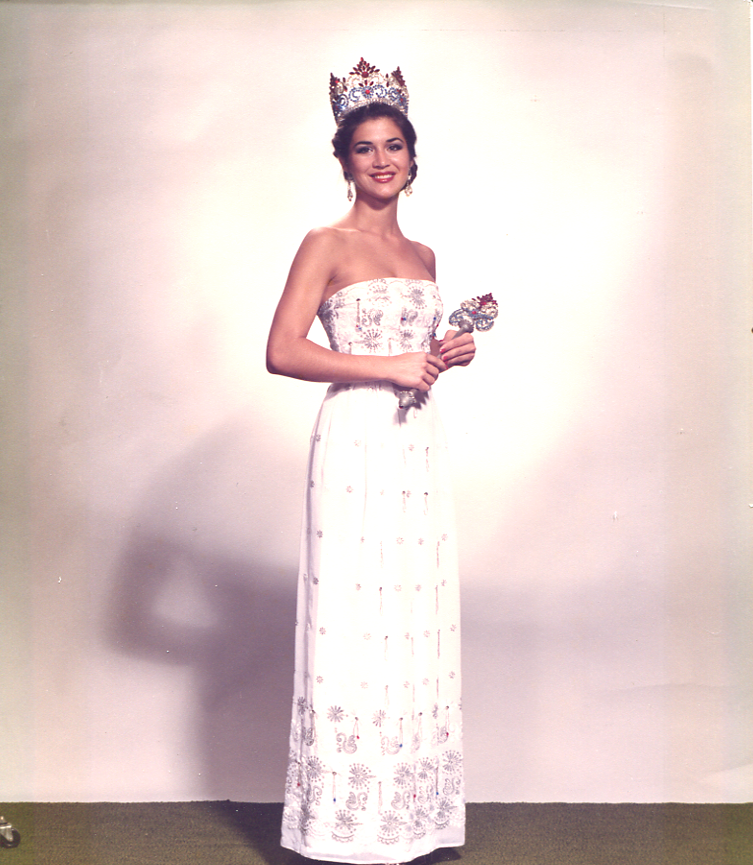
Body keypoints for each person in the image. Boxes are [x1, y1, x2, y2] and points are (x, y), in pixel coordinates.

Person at [267, 58, 475, 864]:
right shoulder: (326, 242)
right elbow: (283, 350)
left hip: (414, 442)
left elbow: (411, 358)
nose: (381, 159)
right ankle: (340, 828)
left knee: (411, 612)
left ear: (413, 158)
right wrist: (387, 366)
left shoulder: (424, 254)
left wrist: (441, 354)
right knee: (354, 611)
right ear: (343, 160)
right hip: (354, 436)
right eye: (364, 147)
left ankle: (406, 822)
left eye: (393, 145)